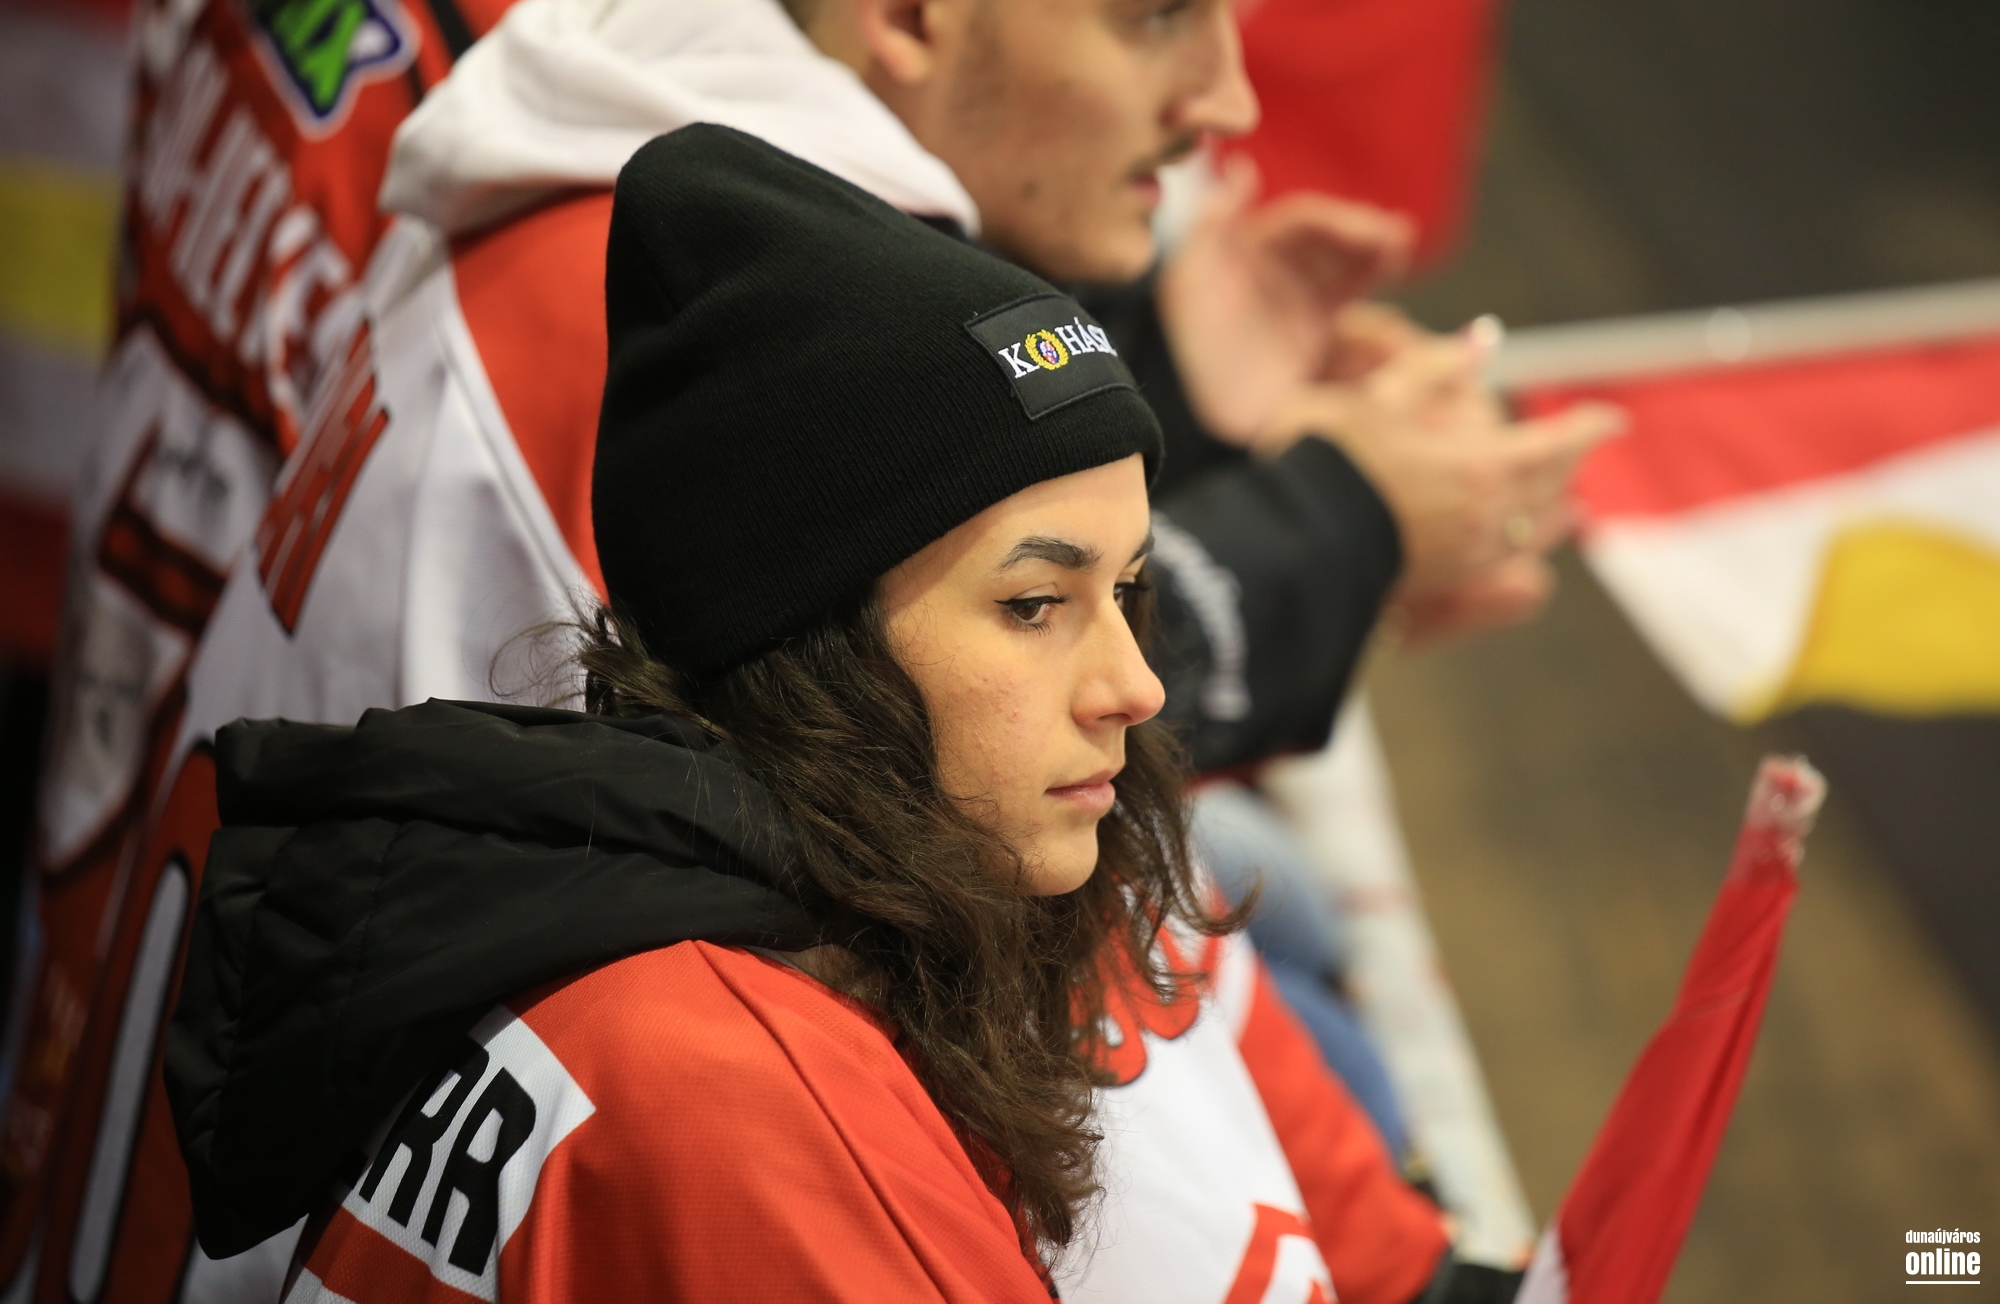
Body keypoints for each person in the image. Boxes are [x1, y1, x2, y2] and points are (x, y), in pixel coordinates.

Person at [169, 124, 1447, 1303]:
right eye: (1032, 605)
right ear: (807, 647)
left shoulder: (861, 912)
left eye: (1124, 592)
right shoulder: (734, 1104)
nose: (1139, 686)